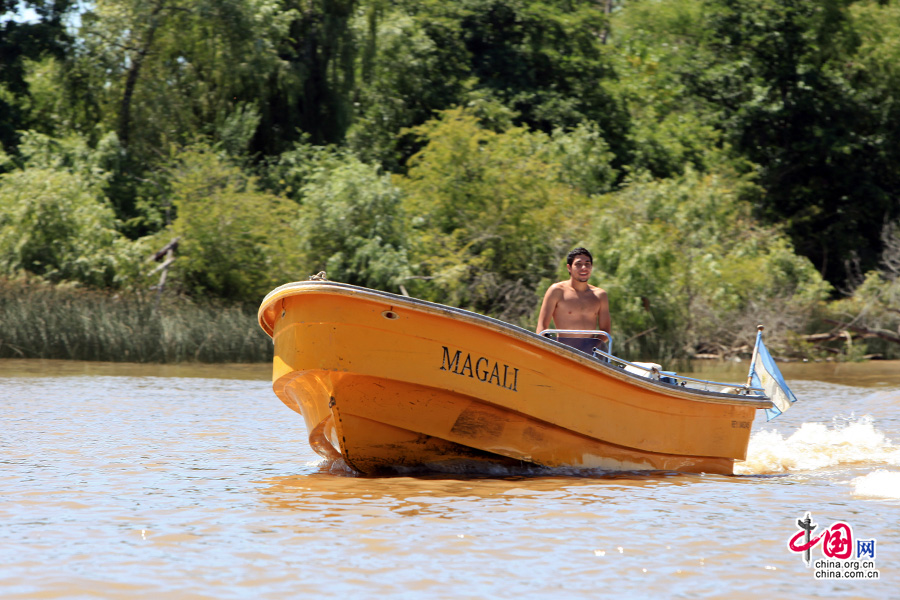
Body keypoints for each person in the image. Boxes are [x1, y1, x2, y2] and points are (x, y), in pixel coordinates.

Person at [536, 247, 611, 356]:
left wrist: (591, 348)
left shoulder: (600, 295)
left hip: (591, 354)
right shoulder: (557, 291)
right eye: (578, 264)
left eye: (587, 264)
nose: (584, 268)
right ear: (569, 268)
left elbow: (605, 331)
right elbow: (541, 327)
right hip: (562, 352)